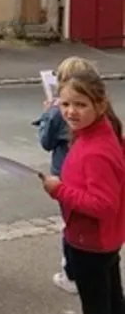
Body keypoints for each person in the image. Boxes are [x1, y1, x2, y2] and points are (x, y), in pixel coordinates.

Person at [41, 69, 125, 314]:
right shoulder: (101, 136)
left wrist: (60, 190)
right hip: (104, 239)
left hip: (90, 240)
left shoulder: (96, 149)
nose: (71, 111)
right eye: (65, 104)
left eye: (80, 104)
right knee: (112, 305)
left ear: (100, 104)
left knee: (98, 312)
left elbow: (102, 204)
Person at [36, 57, 98, 295]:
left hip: (64, 173)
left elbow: (46, 141)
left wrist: (46, 114)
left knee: (71, 223)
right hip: (85, 172)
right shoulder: (92, 105)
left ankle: (71, 273)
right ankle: (77, 268)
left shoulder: (57, 110)